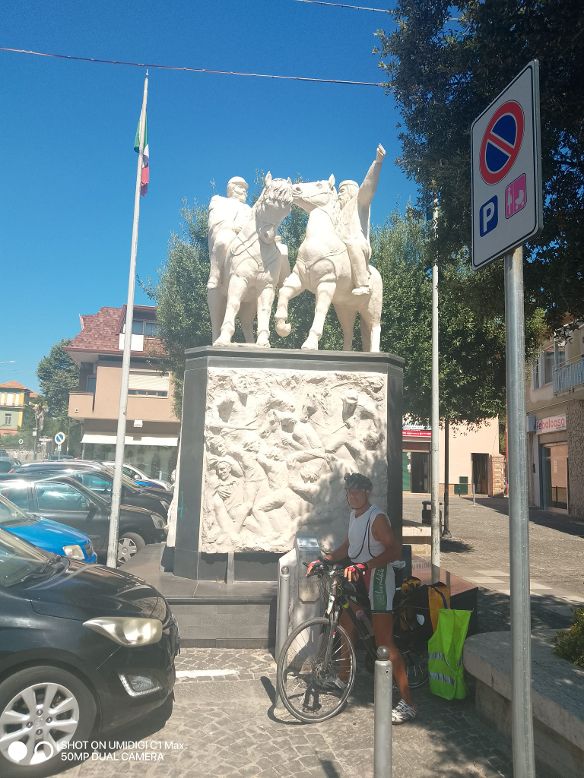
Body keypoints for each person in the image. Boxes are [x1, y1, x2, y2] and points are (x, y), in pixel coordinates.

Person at [307, 472, 416, 724]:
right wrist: (324, 560)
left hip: (377, 578)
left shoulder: (376, 517)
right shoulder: (354, 515)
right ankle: (343, 678)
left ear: (367, 493)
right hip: (358, 574)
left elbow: (394, 550)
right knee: (346, 625)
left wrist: (365, 567)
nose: (352, 496)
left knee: (385, 644)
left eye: (357, 492)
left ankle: (409, 702)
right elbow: (348, 545)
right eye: (349, 492)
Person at [338, 144, 386, 296]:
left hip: (356, 243)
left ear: (352, 192)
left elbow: (368, 186)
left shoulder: (359, 201)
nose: (339, 195)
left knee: (353, 244)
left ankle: (363, 283)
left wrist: (377, 163)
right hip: (339, 244)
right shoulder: (337, 211)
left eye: (342, 191)